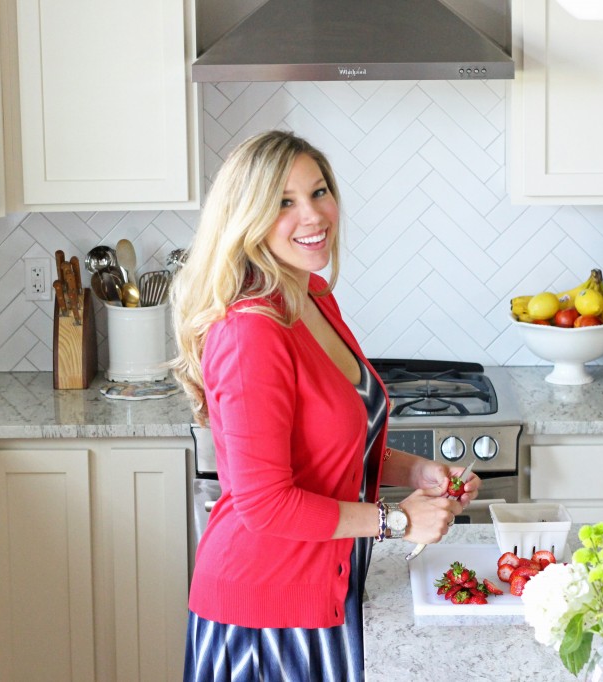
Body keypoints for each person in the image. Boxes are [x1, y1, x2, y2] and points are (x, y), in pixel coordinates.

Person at [170, 130, 481, 682]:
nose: (312, 215)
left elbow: (336, 444)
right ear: (247, 218)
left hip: (322, 591)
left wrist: (421, 471)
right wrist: (399, 520)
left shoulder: (311, 296)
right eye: (284, 203)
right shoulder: (251, 334)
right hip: (267, 618)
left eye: (319, 192)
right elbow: (264, 505)